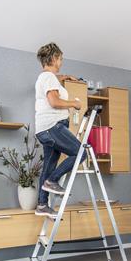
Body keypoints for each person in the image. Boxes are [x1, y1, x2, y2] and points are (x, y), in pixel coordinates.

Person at [33, 42, 86, 217]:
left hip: (45, 129)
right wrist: (74, 104)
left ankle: (42, 204)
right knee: (80, 153)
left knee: (48, 166)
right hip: (53, 126)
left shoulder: (46, 78)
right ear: (54, 58)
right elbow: (54, 102)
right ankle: (52, 181)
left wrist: (65, 77)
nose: (61, 62)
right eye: (60, 59)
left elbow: (52, 87)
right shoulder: (48, 78)